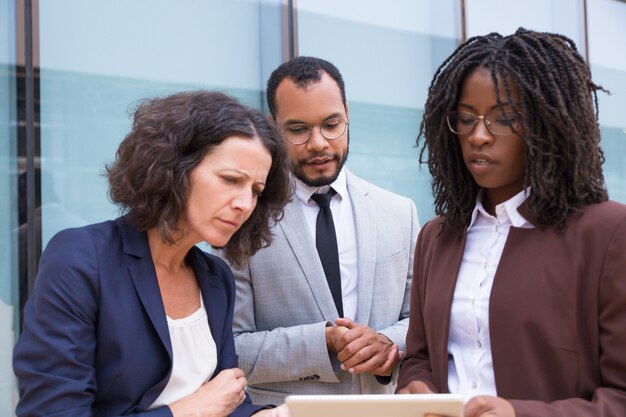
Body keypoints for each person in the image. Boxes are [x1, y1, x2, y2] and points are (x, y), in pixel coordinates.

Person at [13, 91, 294, 417]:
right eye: (231, 179)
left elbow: (226, 400)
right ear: (175, 168)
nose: (245, 203)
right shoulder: (81, 258)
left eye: (256, 190)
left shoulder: (216, 278)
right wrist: (187, 412)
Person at [396, 28, 626, 417]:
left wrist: (520, 413)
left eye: (503, 118)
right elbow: (419, 357)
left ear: (547, 125)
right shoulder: (437, 236)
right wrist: (415, 386)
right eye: (465, 119)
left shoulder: (607, 233)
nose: (478, 136)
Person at [217, 56, 420, 404]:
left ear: (347, 114)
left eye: (331, 124)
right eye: (298, 129)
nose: (319, 143)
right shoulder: (241, 219)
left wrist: (389, 344)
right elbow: (231, 347)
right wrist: (321, 341)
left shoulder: (400, 212)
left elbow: (420, 322)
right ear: (272, 126)